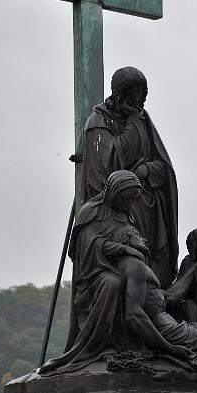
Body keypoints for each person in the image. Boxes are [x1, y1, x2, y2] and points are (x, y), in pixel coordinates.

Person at [40, 171, 188, 374]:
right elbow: (88, 245)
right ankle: (98, 345)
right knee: (113, 284)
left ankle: (128, 343)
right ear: (113, 192)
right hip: (96, 271)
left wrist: (136, 245)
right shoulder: (91, 211)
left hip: (124, 268)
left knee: (132, 287)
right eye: (125, 198)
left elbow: (136, 239)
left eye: (131, 199)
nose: (128, 203)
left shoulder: (127, 214)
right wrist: (125, 249)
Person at [81, 66, 178, 288]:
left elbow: (164, 167)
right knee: (132, 260)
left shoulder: (144, 120)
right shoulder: (99, 123)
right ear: (120, 93)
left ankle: (156, 302)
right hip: (122, 211)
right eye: (135, 92)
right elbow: (112, 165)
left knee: (152, 262)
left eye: (143, 93)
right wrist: (133, 121)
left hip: (151, 206)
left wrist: (148, 170)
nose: (140, 99)